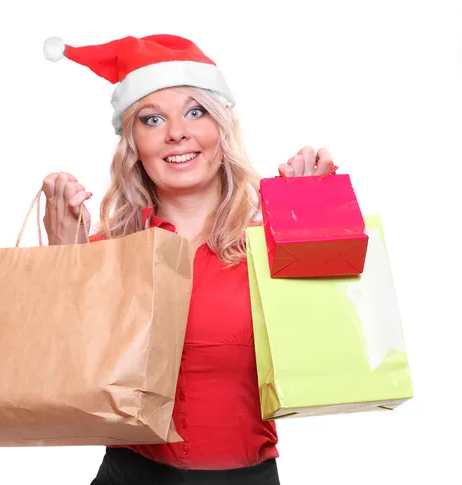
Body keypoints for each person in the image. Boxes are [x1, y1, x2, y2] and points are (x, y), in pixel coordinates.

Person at [41, 34, 336, 485]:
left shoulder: (270, 245)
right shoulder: (108, 252)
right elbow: (59, 377)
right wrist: (64, 259)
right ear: (133, 144)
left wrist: (312, 219)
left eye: (195, 111)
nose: (176, 131)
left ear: (221, 128)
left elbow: (330, 343)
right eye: (152, 118)